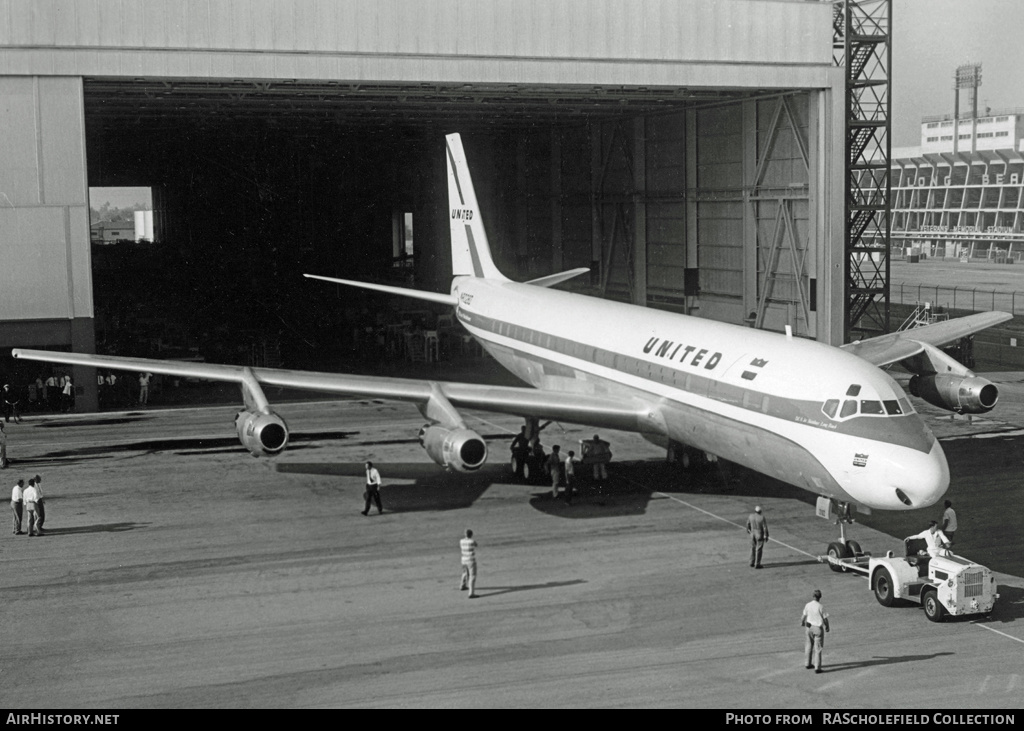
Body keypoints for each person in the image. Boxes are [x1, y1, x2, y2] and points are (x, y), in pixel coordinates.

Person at [800, 589, 830, 673]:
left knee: (808, 646)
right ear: (820, 597)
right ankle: (817, 667)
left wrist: (802, 622)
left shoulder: (808, 605)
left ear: (813, 596)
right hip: (817, 628)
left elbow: (803, 616)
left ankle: (807, 663)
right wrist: (827, 627)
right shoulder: (820, 606)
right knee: (818, 648)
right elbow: (825, 619)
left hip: (809, 627)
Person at [459, 529, 478, 598]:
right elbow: (476, 544)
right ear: (471, 535)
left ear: (465, 534)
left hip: (463, 559)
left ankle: (462, 585)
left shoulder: (461, 541)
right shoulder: (472, 541)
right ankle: (471, 593)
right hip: (470, 560)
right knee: (472, 576)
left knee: (464, 572)